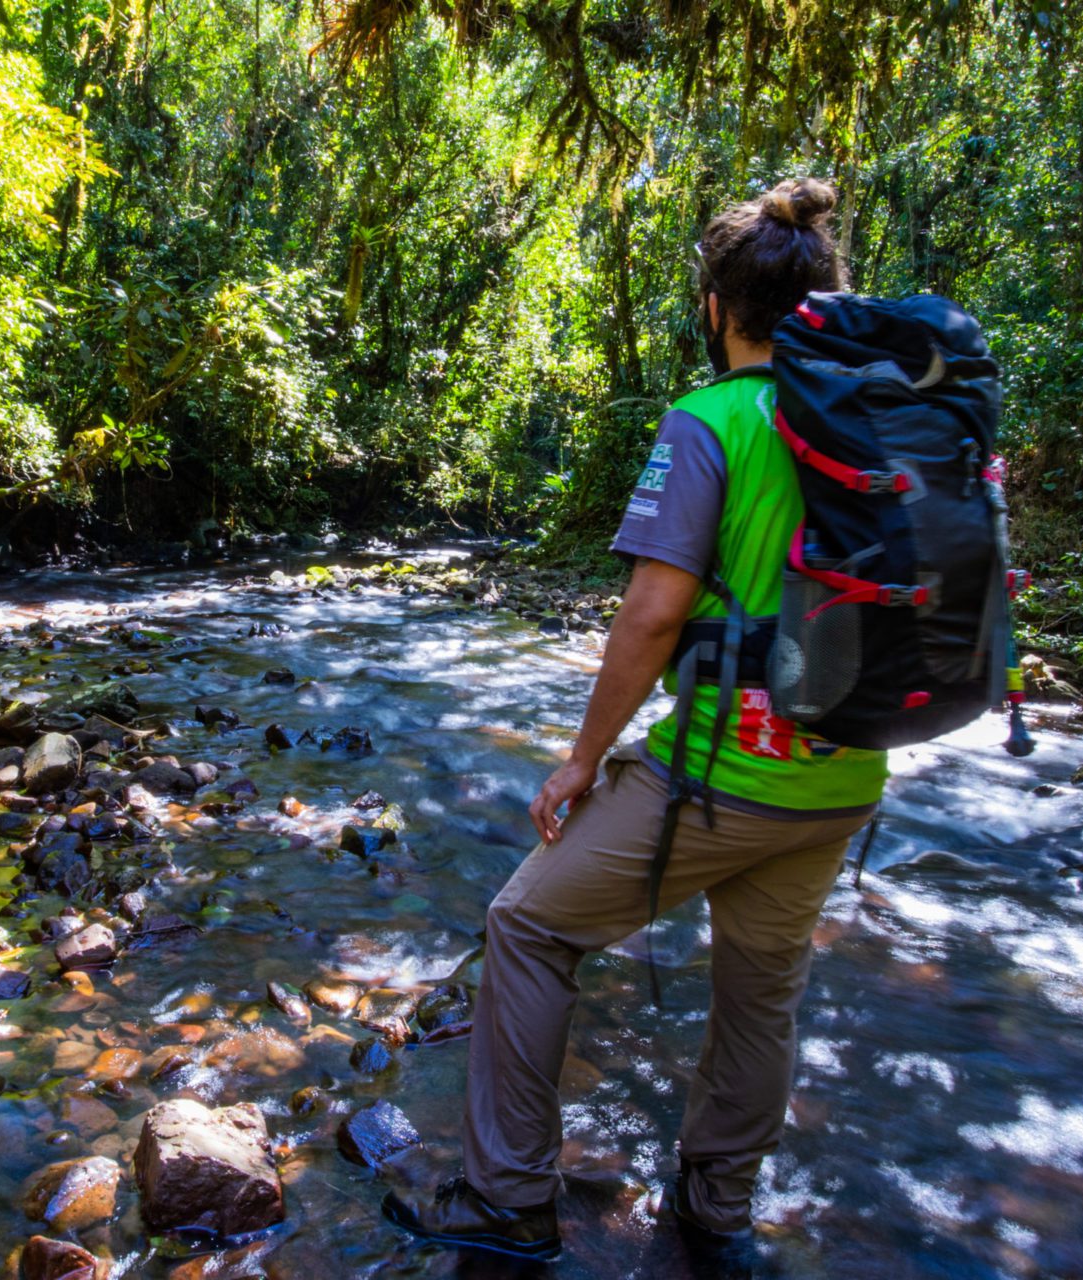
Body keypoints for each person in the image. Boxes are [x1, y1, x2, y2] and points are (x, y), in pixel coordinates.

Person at [384, 177, 887, 1270]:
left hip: (723, 769)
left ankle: (508, 1195)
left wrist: (577, 759)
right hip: (843, 776)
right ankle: (716, 1212)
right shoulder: (883, 416)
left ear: (718, 309)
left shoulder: (712, 419)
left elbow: (656, 610)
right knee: (762, 989)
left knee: (527, 923)